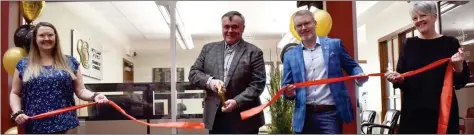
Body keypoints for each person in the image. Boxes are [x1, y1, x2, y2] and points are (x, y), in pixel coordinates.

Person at [384, 1, 471, 134]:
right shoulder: (408, 44)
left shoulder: (450, 43)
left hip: (443, 110)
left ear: (435, 16)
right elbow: (402, 78)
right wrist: (396, 79)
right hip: (413, 112)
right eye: (415, 18)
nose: (419, 21)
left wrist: (458, 65)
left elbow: (461, 81)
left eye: (423, 16)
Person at [9, 22, 109, 134]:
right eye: (42, 35)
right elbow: (15, 93)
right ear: (35, 39)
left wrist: (94, 96)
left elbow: (80, 90)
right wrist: (17, 112)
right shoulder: (23, 64)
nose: (46, 38)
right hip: (34, 127)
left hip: (66, 126)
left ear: (56, 37)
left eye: (50, 35)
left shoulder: (70, 62)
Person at [282, 9, 368, 134]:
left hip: (330, 114)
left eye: (307, 23)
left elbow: (353, 67)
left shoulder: (334, 45)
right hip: (304, 115)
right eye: (299, 25)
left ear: (315, 23)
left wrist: (359, 75)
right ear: (295, 29)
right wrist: (289, 92)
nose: (304, 28)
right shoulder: (290, 55)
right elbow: (286, 86)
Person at [188, 11, 266, 134]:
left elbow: (258, 84)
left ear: (243, 28)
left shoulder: (254, 52)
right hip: (216, 117)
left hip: (245, 119)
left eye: (235, 27)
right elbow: (193, 73)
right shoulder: (208, 49)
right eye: (226, 27)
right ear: (222, 28)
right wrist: (210, 82)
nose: (230, 30)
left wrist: (237, 101)